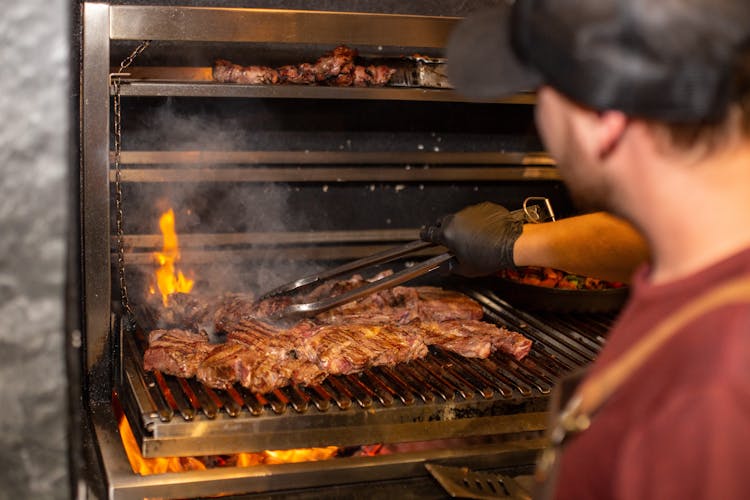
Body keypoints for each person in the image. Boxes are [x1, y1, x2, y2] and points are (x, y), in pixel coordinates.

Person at [421, 0, 750, 498]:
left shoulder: (707, 390)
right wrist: (516, 242)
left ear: (605, 120)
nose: (541, 119)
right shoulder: (703, 269)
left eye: (544, 91)